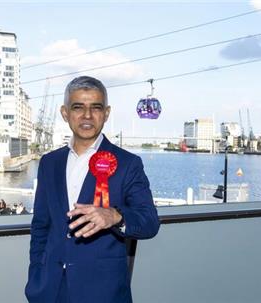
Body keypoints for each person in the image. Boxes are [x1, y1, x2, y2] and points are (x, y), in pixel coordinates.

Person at [25, 76, 159, 303]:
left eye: (95, 108)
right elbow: (41, 226)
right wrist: (36, 275)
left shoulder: (128, 164)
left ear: (106, 113)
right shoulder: (49, 162)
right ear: (65, 113)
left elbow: (149, 222)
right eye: (78, 107)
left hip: (102, 292)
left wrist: (116, 216)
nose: (87, 116)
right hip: (49, 290)